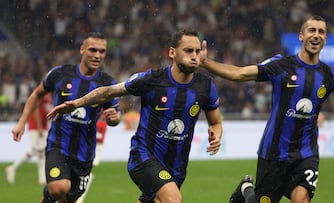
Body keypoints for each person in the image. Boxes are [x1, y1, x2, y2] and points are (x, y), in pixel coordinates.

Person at [47, 29, 223, 203]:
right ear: (172, 52)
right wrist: (77, 103)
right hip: (144, 157)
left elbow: (215, 122)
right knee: (173, 200)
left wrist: (216, 135)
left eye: (197, 51)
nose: (194, 56)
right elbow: (108, 92)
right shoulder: (152, 80)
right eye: (188, 50)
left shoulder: (206, 86)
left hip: (177, 165)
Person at [200, 15, 334, 203]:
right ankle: (246, 189)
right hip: (274, 153)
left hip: (305, 154)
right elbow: (239, 74)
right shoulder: (282, 65)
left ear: (325, 38)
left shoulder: (329, 75)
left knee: (301, 199)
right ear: (301, 36)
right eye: (312, 30)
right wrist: (205, 63)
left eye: (321, 32)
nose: (316, 35)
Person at [11, 32, 121, 203]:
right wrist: (22, 122)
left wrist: (114, 118)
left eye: (102, 51)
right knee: (59, 188)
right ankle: (49, 194)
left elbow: (114, 118)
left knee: (70, 199)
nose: (97, 55)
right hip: (58, 145)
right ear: (82, 49)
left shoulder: (107, 83)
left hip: (85, 152)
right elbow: (37, 94)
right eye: (93, 50)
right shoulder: (61, 74)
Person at [6, 93, 52, 185]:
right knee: (36, 150)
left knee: (41, 152)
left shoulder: (47, 94)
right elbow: (35, 109)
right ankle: (12, 167)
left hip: (42, 127)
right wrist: (39, 126)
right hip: (35, 127)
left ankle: (42, 178)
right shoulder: (41, 93)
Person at [76, 112, 109, 203]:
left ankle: (79, 195)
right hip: (88, 147)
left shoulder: (100, 123)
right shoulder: (100, 123)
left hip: (91, 147)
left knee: (86, 171)